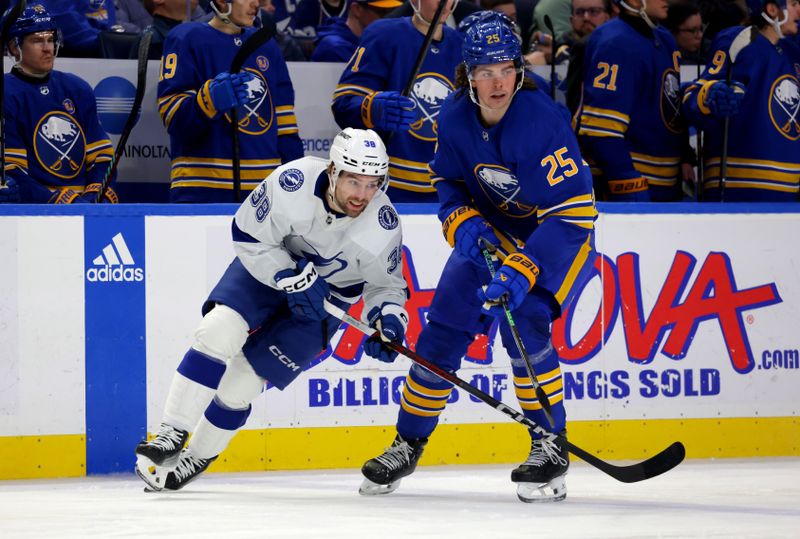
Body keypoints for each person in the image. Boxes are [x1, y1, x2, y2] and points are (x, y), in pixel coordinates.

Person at [359, 16, 597, 503]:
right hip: (491, 235)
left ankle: (549, 447)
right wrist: (460, 221)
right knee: (442, 329)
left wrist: (524, 268)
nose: (497, 82)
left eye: (506, 69)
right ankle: (407, 442)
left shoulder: (541, 122)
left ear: (518, 69)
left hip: (556, 237)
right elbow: (447, 182)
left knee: (525, 322)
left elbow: (573, 213)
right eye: (484, 71)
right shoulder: (452, 117)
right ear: (468, 73)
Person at [134, 128, 409, 491]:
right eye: (354, 181)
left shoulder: (383, 223)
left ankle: (196, 456)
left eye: (373, 183)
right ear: (332, 171)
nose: (362, 194)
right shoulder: (292, 182)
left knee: (241, 386)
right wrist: (289, 276)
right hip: (270, 269)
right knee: (218, 330)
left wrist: (388, 320)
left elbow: (386, 285)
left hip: (325, 302)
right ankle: (171, 431)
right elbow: (248, 235)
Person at [157, 0, 303, 202]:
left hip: (265, 193)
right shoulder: (186, 38)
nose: (256, 4)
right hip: (202, 190)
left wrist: (297, 187)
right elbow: (173, 118)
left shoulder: (266, 46)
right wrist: (209, 101)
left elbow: (285, 129)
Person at [331, 0, 463, 203]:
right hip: (386, 186)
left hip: (445, 190)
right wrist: (371, 108)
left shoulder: (462, 46)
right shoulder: (384, 35)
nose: (445, 3)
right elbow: (343, 102)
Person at [681, 0, 800, 201]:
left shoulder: (792, 52)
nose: (799, 9)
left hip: (790, 189)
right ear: (772, 9)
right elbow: (694, 96)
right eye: (794, 3)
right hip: (739, 184)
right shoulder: (739, 39)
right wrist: (709, 97)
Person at [0, 4, 117, 204]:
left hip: (84, 206)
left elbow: (101, 157)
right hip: (37, 214)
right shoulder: (6, 92)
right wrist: (56, 200)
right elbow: (13, 172)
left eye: (50, 39)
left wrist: (97, 193)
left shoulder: (77, 88)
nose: (47, 48)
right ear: (14, 47)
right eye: (37, 41)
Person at [577, 0, 687, 201]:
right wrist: (626, 179)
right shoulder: (615, 41)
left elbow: (669, 103)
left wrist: (686, 156)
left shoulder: (665, 39)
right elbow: (600, 130)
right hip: (632, 182)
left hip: (667, 183)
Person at [311, 0, 401, 63]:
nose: (388, 18)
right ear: (357, 9)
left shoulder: (371, 41)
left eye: (391, 12)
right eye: (382, 12)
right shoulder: (336, 47)